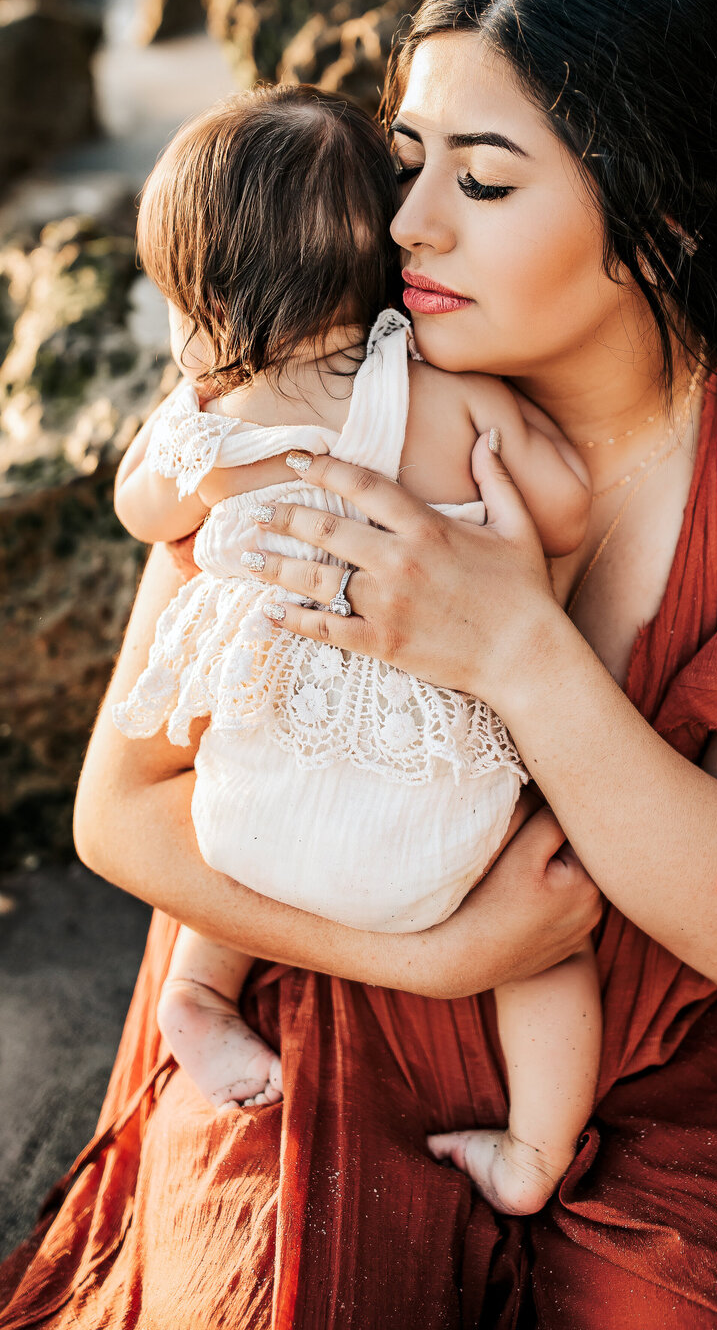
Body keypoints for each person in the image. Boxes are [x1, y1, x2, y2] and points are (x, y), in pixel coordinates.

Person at [0, 0, 717, 1330]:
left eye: (482, 180)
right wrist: (439, 958)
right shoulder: (312, 386)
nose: (409, 222)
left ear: (659, 226)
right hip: (309, 967)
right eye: (402, 160)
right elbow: (121, 815)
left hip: (673, 1033)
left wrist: (516, 650)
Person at [109, 83, 598, 1211]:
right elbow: (568, 509)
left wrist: (192, 400)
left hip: (252, 827)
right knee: (550, 951)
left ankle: (199, 990)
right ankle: (532, 1151)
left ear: (212, 300)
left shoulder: (219, 432)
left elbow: (142, 509)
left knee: (211, 787)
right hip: (443, 846)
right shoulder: (456, 399)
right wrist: (515, 540)